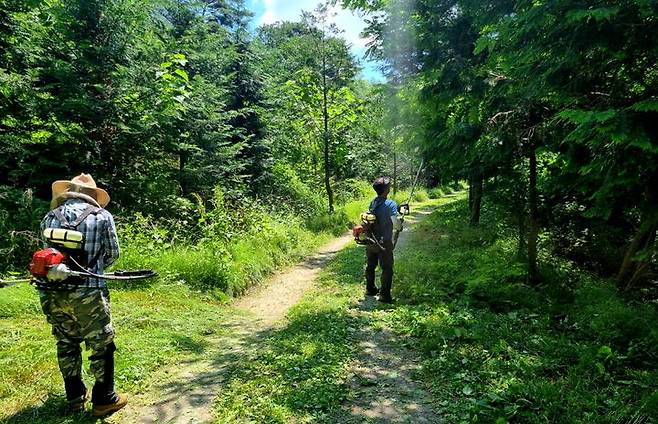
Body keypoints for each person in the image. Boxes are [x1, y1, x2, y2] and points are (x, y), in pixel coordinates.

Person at [37, 173, 128, 417]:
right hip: (88, 292)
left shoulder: (49, 217)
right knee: (102, 343)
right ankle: (104, 399)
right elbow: (112, 253)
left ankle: (75, 397)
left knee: (66, 342)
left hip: (52, 291)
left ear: (69, 192)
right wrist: (93, 269)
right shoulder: (102, 217)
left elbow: (46, 255)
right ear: (91, 196)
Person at [365, 176, 403, 303]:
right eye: (389, 186)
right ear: (386, 189)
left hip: (371, 240)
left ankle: (370, 289)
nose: (390, 187)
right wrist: (400, 224)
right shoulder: (391, 204)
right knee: (387, 268)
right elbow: (395, 223)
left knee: (371, 265)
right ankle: (384, 295)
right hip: (384, 242)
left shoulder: (373, 202)